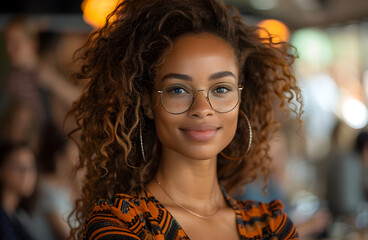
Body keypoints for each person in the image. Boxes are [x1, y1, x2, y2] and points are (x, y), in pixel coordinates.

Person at [68, 0, 302, 239]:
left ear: (241, 97)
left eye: (221, 89)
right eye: (178, 90)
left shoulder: (273, 227)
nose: (202, 109)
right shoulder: (120, 224)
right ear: (147, 102)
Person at [0, 141, 37, 240]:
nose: (26, 175)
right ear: (2, 170)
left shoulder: (16, 217)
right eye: (18, 167)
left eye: (31, 167)